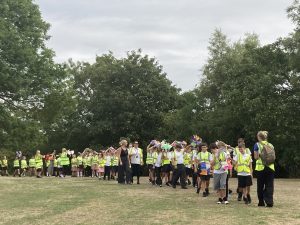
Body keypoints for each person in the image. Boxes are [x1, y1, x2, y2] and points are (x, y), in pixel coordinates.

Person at [254, 131, 275, 207]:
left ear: (259, 137)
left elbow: (256, 157)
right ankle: (269, 202)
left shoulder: (257, 145)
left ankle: (261, 202)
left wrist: (260, 155)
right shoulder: (271, 145)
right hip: (270, 167)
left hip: (261, 168)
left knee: (260, 186)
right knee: (269, 185)